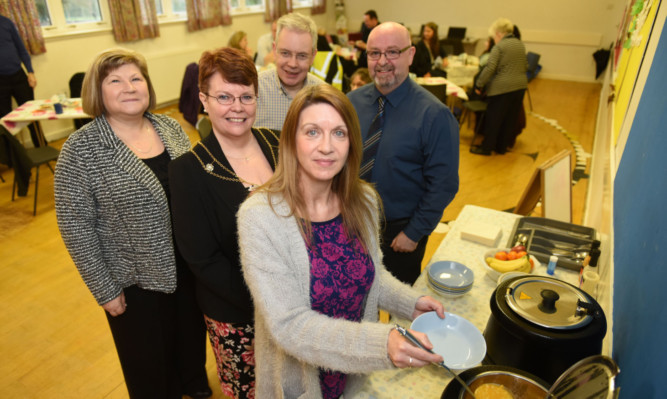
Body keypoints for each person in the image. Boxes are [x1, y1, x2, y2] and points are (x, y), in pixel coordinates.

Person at [237, 84, 446, 398]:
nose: (326, 147)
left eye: (339, 133)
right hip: (298, 382)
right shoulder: (260, 216)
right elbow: (289, 325)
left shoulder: (363, 200)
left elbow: (369, 274)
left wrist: (409, 304)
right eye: (312, 132)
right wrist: (380, 343)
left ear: (352, 143)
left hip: (351, 375)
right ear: (291, 141)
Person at [53, 48, 211, 399]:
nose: (129, 87)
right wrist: (105, 290)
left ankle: (194, 385)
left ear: (148, 86)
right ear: (98, 91)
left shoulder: (170, 128)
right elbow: (76, 228)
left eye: (136, 78)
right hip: (134, 285)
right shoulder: (80, 150)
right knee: (150, 368)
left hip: (187, 270)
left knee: (189, 346)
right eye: (115, 81)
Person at [169, 47, 279, 399]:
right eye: (224, 96)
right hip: (237, 312)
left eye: (246, 96)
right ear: (203, 99)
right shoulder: (189, 169)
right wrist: (266, 301)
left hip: (294, 302)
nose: (237, 107)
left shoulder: (276, 143)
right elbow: (202, 259)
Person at [348, 22, 459, 285]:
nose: (382, 61)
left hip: (400, 233)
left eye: (393, 52)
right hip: (351, 223)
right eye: (375, 53)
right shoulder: (350, 103)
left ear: (410, 55)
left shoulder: (435, 115)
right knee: (359, 303)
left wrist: (414, 232)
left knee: (400, 308)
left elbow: (444, 184)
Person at [254, 12, 322, 131]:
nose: (292, 64)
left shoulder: (325, 96)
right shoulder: (254, 91)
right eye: (285, 53)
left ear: (313, 56)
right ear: (274, 51)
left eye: (301, 56)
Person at [471, 18, 527, 155]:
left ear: (498, 34)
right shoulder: (520, 44)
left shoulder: (499, 47)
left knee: (493, 119)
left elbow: (490, 68)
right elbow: (525, 65)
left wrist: (479, 84)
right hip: (519, 87)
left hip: (502, 89)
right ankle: (501, 147)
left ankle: (487, 148)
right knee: (509, 119)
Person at [0, 14, 41, 147]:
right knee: (6, 122)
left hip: (19, 76)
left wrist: (30, 72)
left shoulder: (6, 23)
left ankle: (41, 146)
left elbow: (21, 49)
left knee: (31, 115)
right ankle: (15, 158)